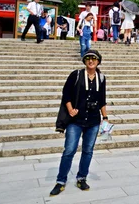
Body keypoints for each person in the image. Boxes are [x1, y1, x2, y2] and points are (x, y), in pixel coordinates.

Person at [49, 49, 108, 196]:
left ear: (98, 61)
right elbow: (66, 93)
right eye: (88, 58)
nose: (91, 61)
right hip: (75, 120)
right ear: (84, 61)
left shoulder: (101, 78)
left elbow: (102, 99)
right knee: (69, 150)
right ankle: (61, 181)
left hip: (93, 120)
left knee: (88, 151)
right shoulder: (76, 75)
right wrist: (70, 109)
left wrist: (105, 118)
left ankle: (81, 178)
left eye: (94, 59)